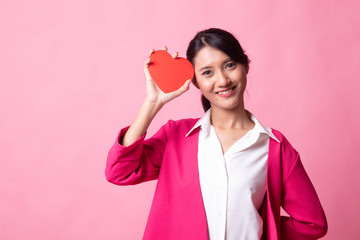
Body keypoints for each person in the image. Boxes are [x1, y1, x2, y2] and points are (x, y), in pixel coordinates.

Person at [105, 28, 328, 240]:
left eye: (229, 65)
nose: (222, 81)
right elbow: (119, 171)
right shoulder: (176, 136)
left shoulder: (275, 147)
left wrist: (260, 230)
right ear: (195, 82)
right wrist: (152, 103)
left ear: (245, 66)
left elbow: (312, 223)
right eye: (207, 72)